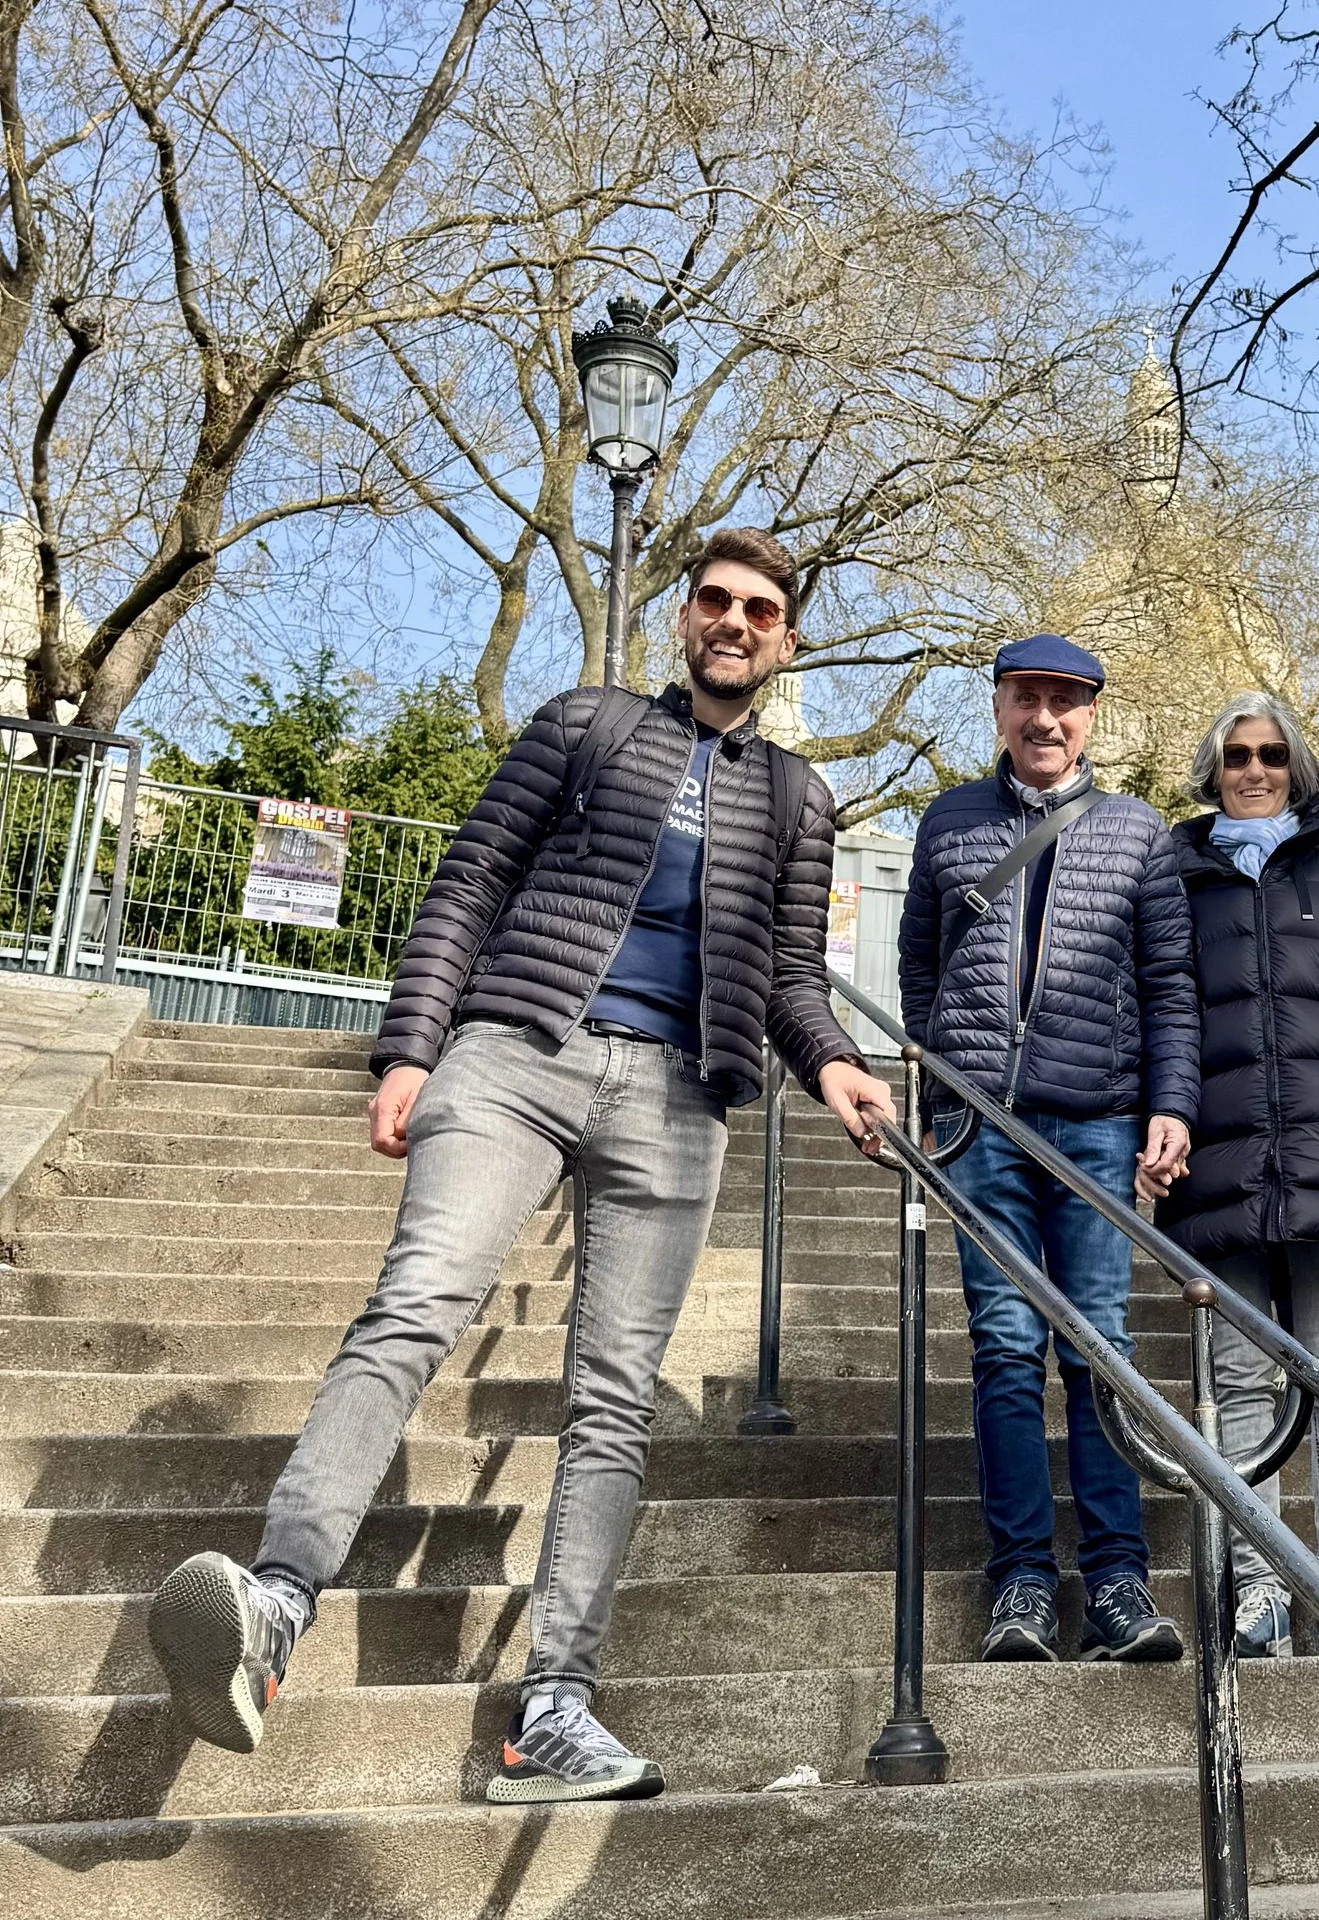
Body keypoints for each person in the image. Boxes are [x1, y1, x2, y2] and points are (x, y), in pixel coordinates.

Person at [147, 531, 897, 1804]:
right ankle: (275, 1606)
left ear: (785, 640)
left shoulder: (797, 797)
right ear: (684, 618)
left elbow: (785, 969)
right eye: (715, 600)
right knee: (415, 1307)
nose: (734, 621)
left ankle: (556, 1708)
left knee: (614, 1400)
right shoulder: (586, 724)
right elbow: (472, 879)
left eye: (760, 611)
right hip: (516, 1053)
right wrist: (410, 1049)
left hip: (679, 1098)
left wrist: (832, 1064)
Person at [898, 634, 1199, 1664]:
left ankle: (1117, 1579)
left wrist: (1171, 1103)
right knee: (1004, 1347)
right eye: (1027, 697)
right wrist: (938, 1088)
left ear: (1091, 715)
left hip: (1099, 1121)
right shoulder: (949, 819)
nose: (1045, 718)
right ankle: (1022, 1580)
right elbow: (918, 969)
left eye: (1066, 701)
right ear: (998, 707)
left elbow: (1169, 983)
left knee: (1098, 1347)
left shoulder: (1135, 830)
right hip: (979, 1122)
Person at [1164, 692, 1319, 1654]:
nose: (1255, 770)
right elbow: (1160, 1003)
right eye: (1237, 755)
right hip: (1220, 1157)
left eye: (1272, 754)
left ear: (1297, 769)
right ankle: (1260, 1584)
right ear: (1215, 769)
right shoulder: (1178, 876)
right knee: (1239, 1378)